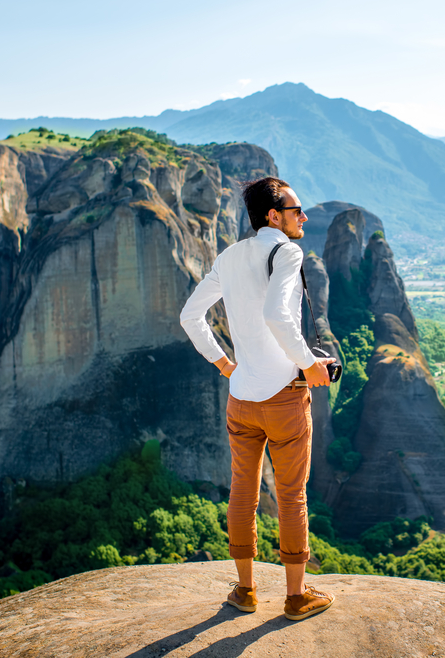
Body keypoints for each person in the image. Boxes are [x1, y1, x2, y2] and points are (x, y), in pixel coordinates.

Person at [179, 176, 337, 621]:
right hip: (285, 397)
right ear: (273, 216)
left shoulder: (230, 256)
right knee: (291, 497)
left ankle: (245, 591)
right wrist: (309, 364)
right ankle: (295, 597)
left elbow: (190, 315)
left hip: (241, 398)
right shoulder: (286, 251)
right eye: (296, 210)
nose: (303, 217)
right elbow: (277, 314)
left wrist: (223, 363)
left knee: (243, 493)